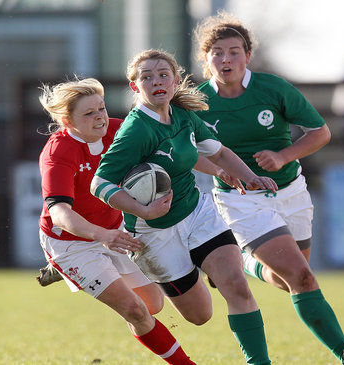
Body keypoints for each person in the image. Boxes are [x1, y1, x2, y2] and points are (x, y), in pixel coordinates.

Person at [191, 12, 344, 365]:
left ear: (247, 55)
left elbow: (320, 132)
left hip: (290, 191)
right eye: (217, 52)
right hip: (240, 200)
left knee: (289, 277)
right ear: (206, 58)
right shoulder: (195, 101)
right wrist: (218, 170)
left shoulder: (273, 88)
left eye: (234, 51)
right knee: (303, 276)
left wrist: (283, 155)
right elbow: (183, 152)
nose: (226, 59)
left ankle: (247, 264)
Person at [90, 49, 277, 365]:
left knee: (237, 286)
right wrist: (143, 210)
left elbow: (218, 153)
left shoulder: (184, 117)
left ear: (176, 81)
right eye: (146, 77)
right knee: (200, 315)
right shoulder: (136, 130)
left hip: (196, 213)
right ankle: (203, 265)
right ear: (135, 87)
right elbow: (100, 183)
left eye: (163, 74)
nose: (156, 81)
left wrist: (250, 176)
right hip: (155, 234)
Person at [37, 77, 195, 365]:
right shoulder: (58, 152)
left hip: (113, 232)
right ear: (66, 120)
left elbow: (171, 153)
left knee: (152, 305)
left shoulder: (118, 129)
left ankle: (64, 272)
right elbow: (59, 212)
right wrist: (101, 235)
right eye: (89, 113)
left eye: (101, 108)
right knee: (134, 310)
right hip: (71, 243)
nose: (100, 117)